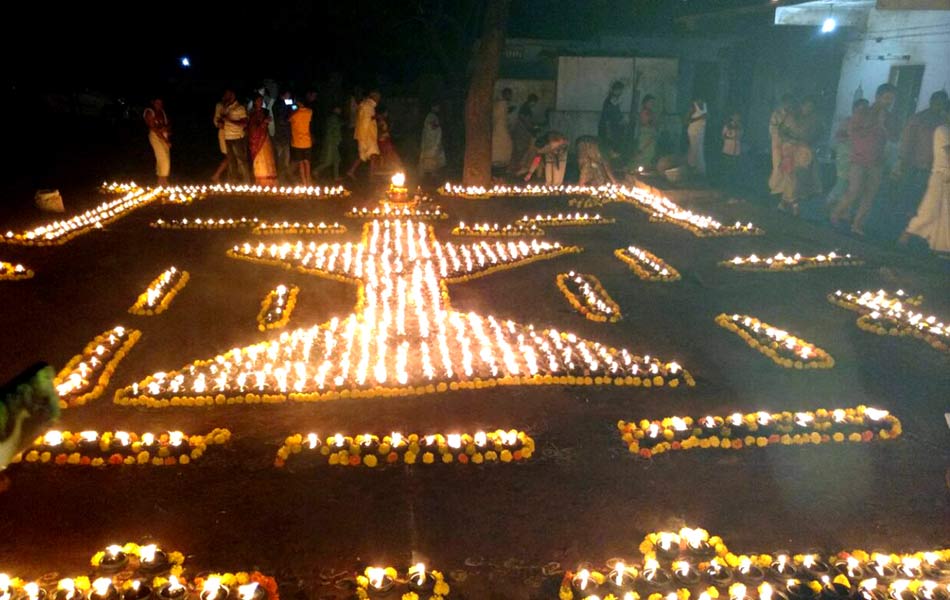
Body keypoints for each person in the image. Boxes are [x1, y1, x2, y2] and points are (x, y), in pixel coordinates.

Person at [831, 83, 899, 235]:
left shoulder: (890, 118)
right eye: (887, 98)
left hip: (877, 161)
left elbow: (894, 138)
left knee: (870, 195)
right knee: (854, 191)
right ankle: (836, 214)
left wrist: (883, 125)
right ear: (878, 97)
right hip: (859, 159)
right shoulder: (863, 113)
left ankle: (857, 225)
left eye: (892, 99)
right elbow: (853, 134)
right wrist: (871, 126)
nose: (889, 102)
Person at [895, 91, 950, 222]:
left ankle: (912, 216)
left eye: (942, 103)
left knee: (922, 192)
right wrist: (903, 159)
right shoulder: (918, 118)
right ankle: (899, 216)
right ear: (931, 101)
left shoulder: (943, 121)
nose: (940, 106)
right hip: (913, 162)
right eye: (938, 102)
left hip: (933, 164)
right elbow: (907, 140)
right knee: (906, 188)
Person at [900, 111, 950, 254]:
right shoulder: (943, 130)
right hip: (940, 174)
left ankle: (940, 246)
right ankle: (905, 236)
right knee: (929, 210)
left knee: (945, 213)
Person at [776, 97, 822, 214]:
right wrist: (791, 140)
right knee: (791, 175)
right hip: (789, 149)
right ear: (802, 105)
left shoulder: (814, 121)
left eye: (811, 107)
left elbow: (816, 136)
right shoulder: (792, 117)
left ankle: (784, 203)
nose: (808, 109)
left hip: (804, 152)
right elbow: (781, 131)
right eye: (807, 106)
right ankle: (794, 204)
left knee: (798, 177)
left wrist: (805, 142)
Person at [826, 99, 870, 208]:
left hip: (859, 158)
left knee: (853, 186)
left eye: (866, 109)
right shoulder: (847, 122)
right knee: (842, 182)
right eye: (861, 109)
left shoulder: (868, 124)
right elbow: (839, 137)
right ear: (854, 109)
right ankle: (829, 203)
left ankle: (841, 209)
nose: (864, 112)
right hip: (845, 156)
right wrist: (851, 137)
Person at [347, 90, 381, 179]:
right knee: (373, 153)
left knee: (363, 155)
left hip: (363, 134)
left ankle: (351, 171)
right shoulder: (368, 105)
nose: (379, 99)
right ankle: (371, 175)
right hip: (367, 134)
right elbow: (367, 119)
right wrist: (377, 117)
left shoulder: (365, 104)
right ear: (374, 97)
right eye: (378, 97)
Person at [220, 89, 251, 184]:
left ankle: (246, 182)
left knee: (241, 160)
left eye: (228, 94)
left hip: (237, 137)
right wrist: (221, 122)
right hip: (227, 137)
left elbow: (244, 123)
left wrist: (229, 120)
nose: (226, 96)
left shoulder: (240, 108)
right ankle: (234, 182)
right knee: (231, 160)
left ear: (233, 95)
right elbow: (223, 120)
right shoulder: (225, 107)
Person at [248, 95, 277, 186]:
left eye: (261, 100)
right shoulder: (251, 113)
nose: (260, 102)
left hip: (265, 137)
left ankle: (269, 182)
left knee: (267, 157)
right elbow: (252, 127)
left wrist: (267, 122)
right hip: (256, 139)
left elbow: (268, 120)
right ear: (254, 102)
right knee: (259, 159)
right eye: (258, 100)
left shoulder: (265, 111)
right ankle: (260, 182)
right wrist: (263, 123)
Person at [769, 95, 796, 194]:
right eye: (786, 102)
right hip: (777, 143)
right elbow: (772, 129)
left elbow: (796, 129)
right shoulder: (776, 114)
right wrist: (781, 134)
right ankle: (775, 187)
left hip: (789, 144)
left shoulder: (794, 114)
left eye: (790, 102)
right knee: (777, 165)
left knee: (788, 167)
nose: (788, 105)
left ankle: (784, 190)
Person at [144, 97, 171, 186]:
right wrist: (165, 140)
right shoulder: (149, 112)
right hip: (155, 136)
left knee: (165, 157)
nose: (159, 105)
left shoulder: (162, 112)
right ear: (153, 103)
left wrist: (166, 131)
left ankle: (161, 181)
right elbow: (153, 127)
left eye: (160, 103)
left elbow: (166, 125)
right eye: (157, 103)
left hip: (164, 135)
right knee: (163, 158)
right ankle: (163, 181)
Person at [511, 93, 539, 175]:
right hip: (522, 132)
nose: (534, 104)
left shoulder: (526, 108)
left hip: (523, 132)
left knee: (522, 150)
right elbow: (525, 121)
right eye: (534, 102)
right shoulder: (525, 109)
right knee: (521, 150)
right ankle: (517, 169)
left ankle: (518, 168)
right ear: (532, 101)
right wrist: (532, 128)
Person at [314, 106, 344, 181]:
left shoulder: (334, 119)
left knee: (336, 160)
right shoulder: (333, 118)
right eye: (338, 108)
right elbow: (333, 130)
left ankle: (336, 177)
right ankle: (316, 170)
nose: (340, 110)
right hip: (331, 142)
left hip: (334, 142)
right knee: (328, 161)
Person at [289, 98, 313, 186]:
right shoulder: (309, 112)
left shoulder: (294, 114)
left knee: (301, 163)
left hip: (297, 142)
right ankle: (309, 180)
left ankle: (304, 181)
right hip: (307, 141)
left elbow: (288, 119)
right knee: (307, 162)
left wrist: (294, 110)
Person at [418, 102, 446, 178]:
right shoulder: (430, 116)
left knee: (435, 156)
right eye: (437, 107)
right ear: (433, 107)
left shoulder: (434, 116)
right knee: (430, 155)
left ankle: (433, 172)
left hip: (434, 140)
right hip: (430, 141)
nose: (438, 109)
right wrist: (438, 126)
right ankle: (427, 173)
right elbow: (430, 127)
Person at [272, 90, 294, 183]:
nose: (289, 97)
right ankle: (281, 179)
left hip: (284, 135)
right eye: (288, 95)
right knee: (282, 158)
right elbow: (281, 120)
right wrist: (292, 115)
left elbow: (292, 106)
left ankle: (283, 178)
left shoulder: (285, 104)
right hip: (281, 135)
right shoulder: (279, 105)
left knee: (284, 158)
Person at [375, 105, 403, 176]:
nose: (386, 114)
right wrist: (386, 132)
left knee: (390, 155)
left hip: (385, 140)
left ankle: (396, 170)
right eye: (386, 113)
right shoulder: (380, 122)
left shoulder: (380, 121)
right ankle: (394, 170)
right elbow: (380, 132)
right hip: (383, 141)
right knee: (389, 155)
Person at [599, 81, 624, 157]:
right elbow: (607, 117)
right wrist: (608, 131)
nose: (620, 92)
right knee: (609, 147)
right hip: (608, 128)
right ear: (614, 90)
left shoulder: (613, 101)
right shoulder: (610, 101)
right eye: (619, 90)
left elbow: (617, 113)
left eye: (621, 91)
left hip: (612, 128)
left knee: (611, 147)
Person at [492, 88, 514, 168]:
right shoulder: (502, 104)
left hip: (499, 129)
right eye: (509, 95)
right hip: (500, 129)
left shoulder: (498, 104)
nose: (511, 97)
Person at [635, 95, 658, 170]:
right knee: (644, 152)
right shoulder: (644, 112)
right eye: (650, 102)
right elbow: (645, 122)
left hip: (651, 134)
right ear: (645, 103)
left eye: (653, 102)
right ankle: (640, 169)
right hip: (646, 134)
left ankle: (646, 169)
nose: (652, 104)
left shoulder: (651, 112)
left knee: (650, 153)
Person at [720, 112, 742, 190]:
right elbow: (723, 135)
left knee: (735, 165)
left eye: (738, 116)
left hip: (736, 148)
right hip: (728, 147)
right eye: (735, 116)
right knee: (727, 164)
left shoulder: (740, 126)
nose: (737, 117)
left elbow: (741, 135)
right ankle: (726, 182)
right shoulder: (727, 125)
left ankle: (734, 181)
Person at [211, 93, 230, 183]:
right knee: (229, 156)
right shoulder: (220, 106)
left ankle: (222, 176)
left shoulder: (232, 105)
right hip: (224, 133)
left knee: (232, 156)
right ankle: (216, 175)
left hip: (232, 133)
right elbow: (217, 120)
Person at [687, 98, 707, 176]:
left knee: (697, 149)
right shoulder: (693, 106)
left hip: (701, 131)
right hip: (693, 131)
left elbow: (706, 117)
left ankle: (692, 167)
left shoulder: (705, 105)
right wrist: (700, 117)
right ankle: (698, 169)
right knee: (696, 148)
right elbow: (687, 120)